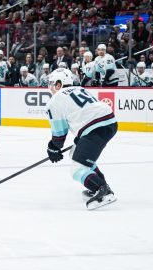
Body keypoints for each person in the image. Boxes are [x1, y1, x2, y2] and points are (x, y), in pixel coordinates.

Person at [45, 68, 117, 210]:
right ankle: (98, 183)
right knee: (75, 154)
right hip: (109, 122)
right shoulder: (79, 89)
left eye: (52, 83)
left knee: (77, 170)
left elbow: (59, 134)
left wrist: (53, 147)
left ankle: (103, 190)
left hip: (94, 128)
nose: (50, 87)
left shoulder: (55, 100)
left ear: (59, 84)